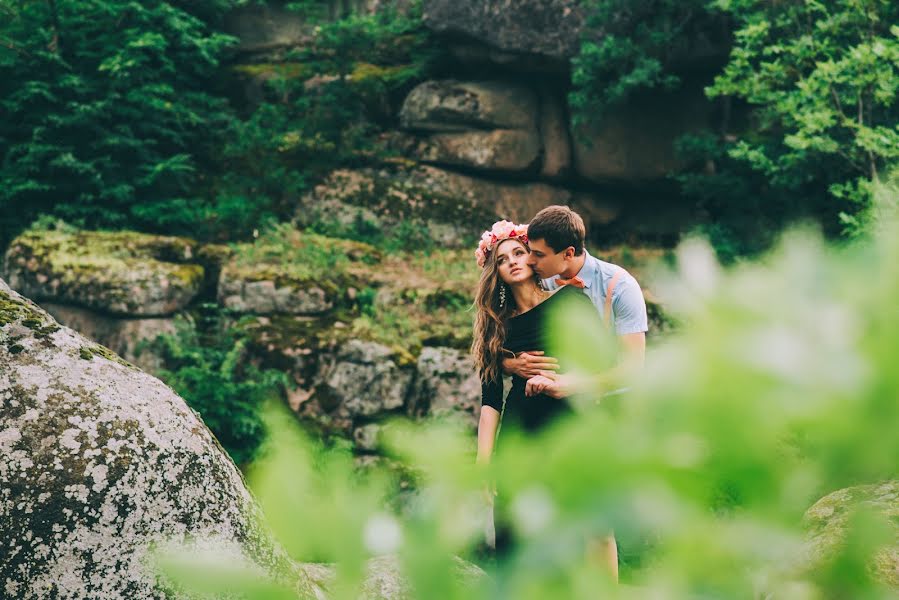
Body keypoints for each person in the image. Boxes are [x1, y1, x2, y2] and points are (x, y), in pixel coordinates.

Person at [471, 219, 611, 576]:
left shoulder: (571, 298)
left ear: (533, 258)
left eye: (519, 253)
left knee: (572, 524)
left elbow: (599, 362)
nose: (513, 262)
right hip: (521, 428)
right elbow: (490, 402)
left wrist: (560, 379)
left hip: (570, 422)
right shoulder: (496, 325)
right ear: (496, 272)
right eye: (502, 259)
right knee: (513, 527)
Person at [503, 205, 648, 397]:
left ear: (568, 253)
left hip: (613, 402)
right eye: (529, 251)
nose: (529, 261)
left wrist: (576, 385)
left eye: (538, 254)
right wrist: (509, 364)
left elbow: (633, 368)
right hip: (556, 408)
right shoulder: (540, 281)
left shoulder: (621, 287)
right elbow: (502, 338)